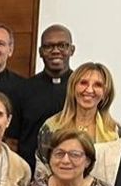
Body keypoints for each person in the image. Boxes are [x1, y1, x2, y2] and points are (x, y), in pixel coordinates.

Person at [35, 62, 121, 170]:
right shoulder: (51, 127)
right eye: (83, 83)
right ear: (73, 88)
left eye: (98, 85)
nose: (89, 90)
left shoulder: (114, 131)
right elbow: (42, 172)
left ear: (105, 93)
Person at [13, 24, 75, 165]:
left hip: (71, 167)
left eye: (62, 46)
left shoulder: (82, 88)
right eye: (48, 46)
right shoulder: (23, 89)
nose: (55, 51)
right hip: (30, 169)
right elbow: (13, 139)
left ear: (72, 50)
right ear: (40, 52)